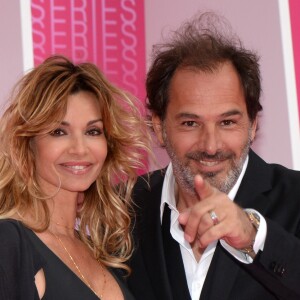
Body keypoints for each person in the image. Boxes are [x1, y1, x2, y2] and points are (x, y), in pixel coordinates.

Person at [127, 12, 300, 300]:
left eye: (227, 122)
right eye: (190, 123)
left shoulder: (295, 197)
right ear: (158, 126)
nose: (210, 145)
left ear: (253, 124)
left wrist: (254, 236)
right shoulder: (123, 209)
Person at [0, 55, 152, 299]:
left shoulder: (102, 252)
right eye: (59, 132)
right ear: (28, 144)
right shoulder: (10, 243)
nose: (80, 149)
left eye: (93, 131)